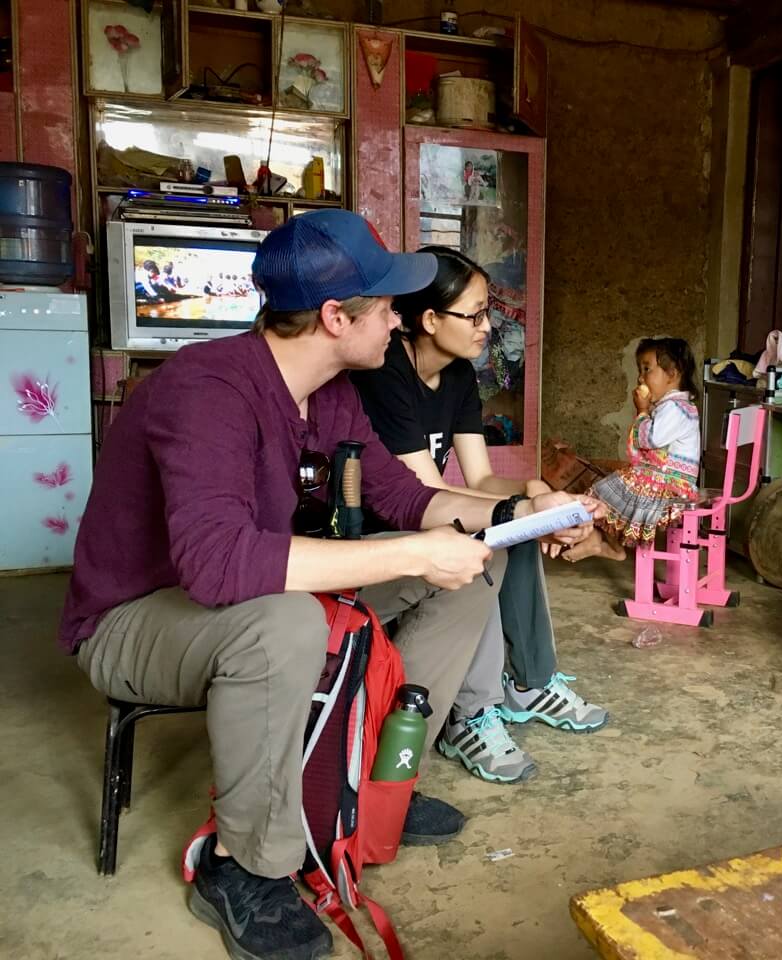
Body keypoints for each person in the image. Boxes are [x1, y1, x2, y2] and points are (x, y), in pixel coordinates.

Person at [60, 210, 593, 960]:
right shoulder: (205, 389)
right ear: (337, 317)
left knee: (463, 585)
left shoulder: (335, 388)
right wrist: (411, 552)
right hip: (133, 621)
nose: (400, 320)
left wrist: (523, 512)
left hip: (238, 593)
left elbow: (405, 497)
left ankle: (370, 789)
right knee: (286, 625)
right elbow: (219, 566)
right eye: (386, 307)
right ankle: (244, 864)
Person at [352, 246, 609, 785]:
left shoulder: (461, 375)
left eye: (487, 312)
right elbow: (420, 492)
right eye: (473, 315)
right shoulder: (385, 373)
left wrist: (536, 492)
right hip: (382, 529)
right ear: (428, 320)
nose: (487, 327)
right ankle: (472, 712)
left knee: (517, 522)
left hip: (428, 511)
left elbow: (481, 480)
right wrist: (522, 507)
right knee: (493, 534)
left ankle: (529, 682)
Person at [565, 337, 701, 562]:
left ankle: (602, 543)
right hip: (659, 478)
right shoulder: (669, 406)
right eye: (640, 370)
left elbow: (651, 439)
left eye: (647, 369)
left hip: (672, 486)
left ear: (673, 372)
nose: (640, 377)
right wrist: (646, 412)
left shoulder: (677, 408)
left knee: (608, 492)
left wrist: (641, 410)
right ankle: (605, 544)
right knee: (611, 489)